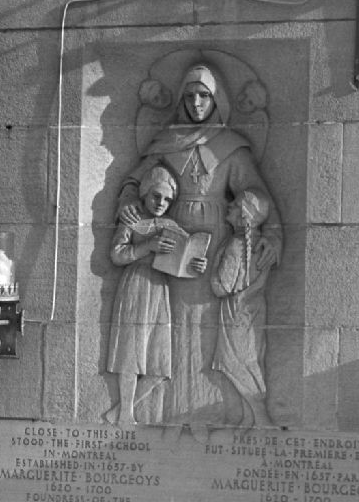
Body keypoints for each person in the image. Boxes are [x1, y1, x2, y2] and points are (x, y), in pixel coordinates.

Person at [118, 62, 281, 424]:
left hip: (216, 244)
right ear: (181, 98)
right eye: (190, 95)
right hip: (172, 241)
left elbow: (258, 198)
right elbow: (134, 182)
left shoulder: (231, 148)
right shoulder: (167, 142)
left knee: (211, 330)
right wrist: (128, 203)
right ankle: (171, 415)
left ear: (216, 98)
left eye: (204, 95)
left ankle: (212, 415)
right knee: (173, 327)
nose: (196, 103)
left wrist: (270, 238)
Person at [104, 165, 192, 425]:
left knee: (159, 363)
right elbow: (117, 254)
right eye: (156, 196)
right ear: (144, 194)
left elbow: (185, 256)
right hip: (135, 285)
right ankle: (125, 414)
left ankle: (118, 411)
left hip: (159, 289)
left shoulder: (171, 225)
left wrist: (195, 263)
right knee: (130, 352)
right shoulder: (132, 220)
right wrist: (147, 247)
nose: (161, 203)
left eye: (167, 199)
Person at [210, 190, 274, 427]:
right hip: (254, 308)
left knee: (234, 364)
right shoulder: (261, 244)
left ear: (244, 215)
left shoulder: (236, 245)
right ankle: (249, 419)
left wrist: (211, 271)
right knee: (250, 362)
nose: (229, 205)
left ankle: (262, 419)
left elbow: (222, 287)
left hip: (235, 311)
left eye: (235, 204)